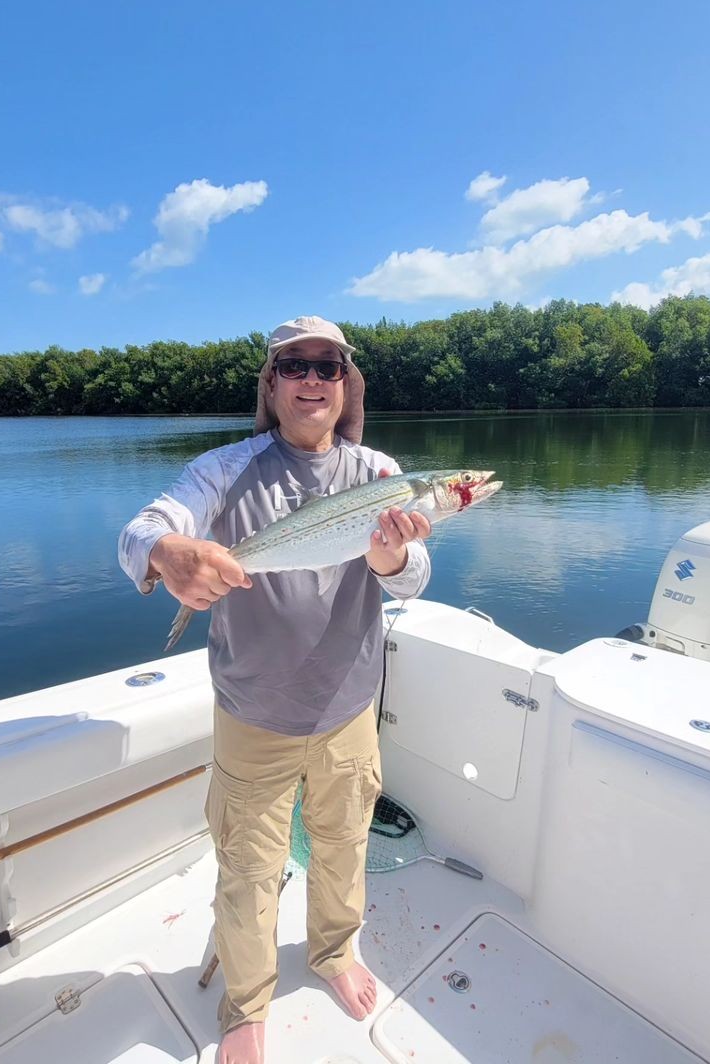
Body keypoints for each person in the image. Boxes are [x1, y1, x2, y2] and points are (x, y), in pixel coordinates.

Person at [118, 316, 431, 1064]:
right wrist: (166, 551)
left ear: (346, 384)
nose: (313, 380)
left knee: (343, 844)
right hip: (254, 714)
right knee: (250, 866)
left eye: (329, 368)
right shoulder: (224, 469)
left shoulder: (379, 473)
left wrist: (392, 560)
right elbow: (140, 530)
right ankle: (247, 1001)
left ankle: (333, 952)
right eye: (296, 367)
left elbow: (416, 580)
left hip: (350, 705)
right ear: (272, 384)